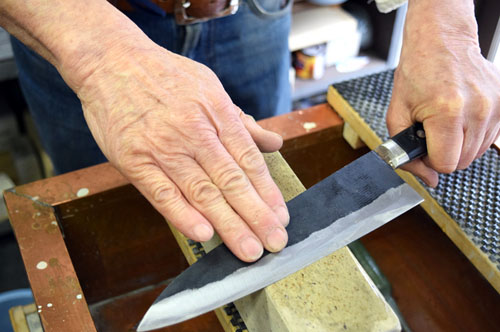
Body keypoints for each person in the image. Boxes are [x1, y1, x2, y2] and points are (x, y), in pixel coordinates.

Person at [0, 0, 498, 263]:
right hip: (79, 29)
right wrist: (101, 58)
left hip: (252, 17)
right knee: (107, 226)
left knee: (265, 181)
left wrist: (445, 16)